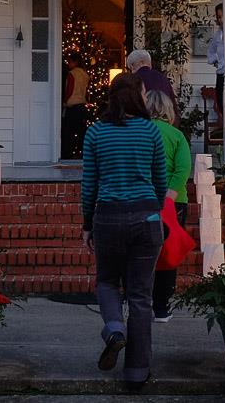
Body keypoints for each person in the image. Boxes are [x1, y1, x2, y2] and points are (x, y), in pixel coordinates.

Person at [81, 72, 167, 390]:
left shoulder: (95, 133)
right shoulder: (151, 132)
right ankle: (136, 373)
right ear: (136, 97)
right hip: (146, 219)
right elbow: (161, 180)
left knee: (106, 282)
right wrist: (151, 209)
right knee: (141, 297)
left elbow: (89, 184)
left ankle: (115, 330)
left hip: (108, 217)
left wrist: (87, 224)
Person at [144, 88, 191, 323]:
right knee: (167, 254)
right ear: (168, 110)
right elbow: (183, 168)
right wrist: (170, 195)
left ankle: (140, 302)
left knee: (141, 254)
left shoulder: (141, 133)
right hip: (173, 202)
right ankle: (161, 307)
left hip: (143, 199)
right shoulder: (176, 136)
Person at [62, 57, 90, 159]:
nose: (68, 64)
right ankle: (83, 153)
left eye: (70, 61)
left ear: (75, 62)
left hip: (72, 105)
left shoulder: (72, 74)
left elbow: (69, 89)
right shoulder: (85, 74)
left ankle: (67, 154)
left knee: (68, 132)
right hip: (81, 105)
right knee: (81, 132)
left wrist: (65, 101)